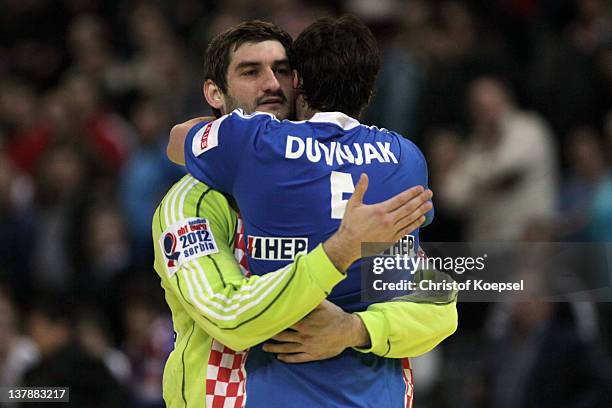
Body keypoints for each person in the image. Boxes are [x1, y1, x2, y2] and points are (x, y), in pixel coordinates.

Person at [167, 17, 457, 407]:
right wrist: (341, 255)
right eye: (251, 72)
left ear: (299, 81)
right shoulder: (405, 157)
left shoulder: (251, 142)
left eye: (282, 71)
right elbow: (227, 313)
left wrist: (353, 329)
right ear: (215, 93)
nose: (271, 84)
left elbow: (438, 306)